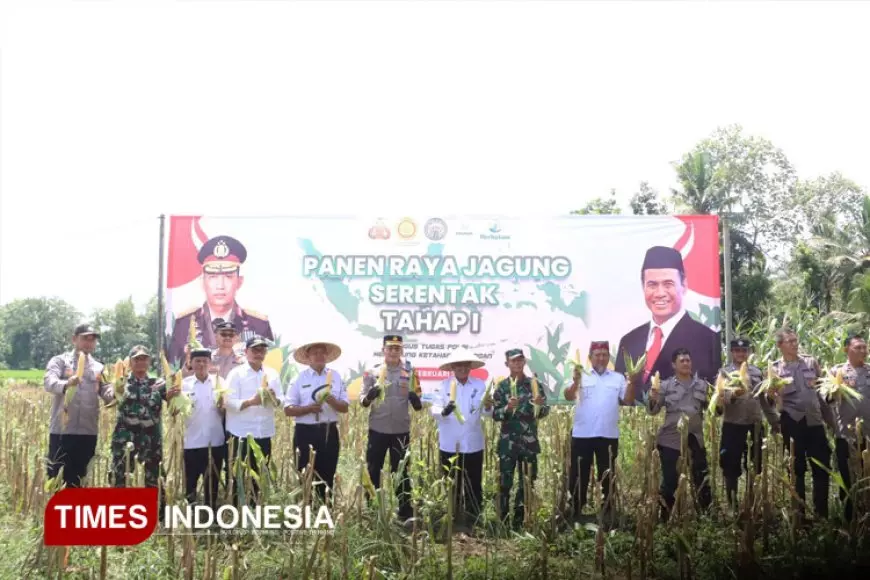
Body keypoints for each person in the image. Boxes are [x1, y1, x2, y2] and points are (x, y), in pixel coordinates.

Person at [614, 246, 722, 392]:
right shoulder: (628, 342)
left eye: (668, 284)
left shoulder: (708, 340)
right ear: (643, 287)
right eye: (652, 285)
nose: (660, 293)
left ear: (684, 286)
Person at [168, 235, 273, 366]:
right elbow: (173, 368)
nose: (220, 285)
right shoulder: (185, 322)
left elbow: (268, 368)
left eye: (228, 276)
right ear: (202, 282)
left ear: (239, 282)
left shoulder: (258, 324)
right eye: (212, 277)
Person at [563, 340, 636, 521]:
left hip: (608, 435)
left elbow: (627, 400)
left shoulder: (618, 378)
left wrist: (632, 383)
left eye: (605, 355)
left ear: (608, 358)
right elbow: (568, 395)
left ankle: (608, 511)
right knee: (579, 474)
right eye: (598, 355)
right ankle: (576, 511)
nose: (601, 358)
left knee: (607, 474)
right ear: (590, 358)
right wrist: (575, 383)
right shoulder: (579, 375)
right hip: (582, 435)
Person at [771, 328, 835, 520]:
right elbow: (771, 400)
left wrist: (831, 421)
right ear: (780, 346)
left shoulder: (811, 362)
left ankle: (821, 514)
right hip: (792, 423)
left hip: (815, 422)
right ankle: (799, 516)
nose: (794, 344)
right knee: (796, 468)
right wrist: (773, 397)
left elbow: (822, 393)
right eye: (790, 341)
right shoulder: (775, 369)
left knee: (822, 466)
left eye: (795, 340)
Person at [359, 335, 424, 523]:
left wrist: (414, 398)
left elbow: (419, 404)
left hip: (400, 430)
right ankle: (372, 509)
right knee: (373, 469)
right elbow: (363, 401)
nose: (394, 351)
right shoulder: (372, 372)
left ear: (402, 350)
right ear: (383, 350)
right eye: (390, 348)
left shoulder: (410, 373)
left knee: (402, 470)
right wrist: (370, 396)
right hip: (378, 429)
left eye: (398, 348)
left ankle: (404, 510)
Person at [44, 324, 115, 488]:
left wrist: (116, 390)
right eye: (85, 338)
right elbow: (49, 382)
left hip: (88, 432)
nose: (89, 343)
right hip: (62, 430)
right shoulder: (60, 361)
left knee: (80, 479)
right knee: (57, 478)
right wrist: (67, 383)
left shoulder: (98, 367)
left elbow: (105, 390)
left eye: (92, 339)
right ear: (74, 339)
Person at [715, 338, 779, 511]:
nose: (741, 354)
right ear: (731, 353)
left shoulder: (757, 372)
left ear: (748, 352)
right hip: (733, 425)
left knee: (756, 464)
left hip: (755, 424)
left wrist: (774, 421)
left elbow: (764, 401)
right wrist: (733, 395)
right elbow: (719, 402)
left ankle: (753, 501)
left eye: (744, 351)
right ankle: (733, 505)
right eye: (737, 351)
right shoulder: (724, 373)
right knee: (730, 465)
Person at [647, 348, 712, 521]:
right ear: (673, 365)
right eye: (682, 361)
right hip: (670, 439)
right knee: (670, 481)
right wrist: (653, 398)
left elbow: (714, 409)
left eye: (688, 360)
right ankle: (665, 516)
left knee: (702, 478)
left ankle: (706, 516)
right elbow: (653, 411)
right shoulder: (666, 386)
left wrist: (720, 401)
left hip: (695, 438)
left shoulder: (702, 385)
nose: (686, 363)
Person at [430, 348, 492, 527]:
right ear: (452, 367)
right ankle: (453, 516)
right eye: (459, 365)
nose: (463, 368)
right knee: (452, 483)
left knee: (474, 482)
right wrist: (443, 411)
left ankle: (474, 517)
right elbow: (434, 409)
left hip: (473, 443)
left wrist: (488, 407)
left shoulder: (480, 385)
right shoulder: (442, 386)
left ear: (470, 367)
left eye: (466, 365)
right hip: (450, 443)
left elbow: (488, 413)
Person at [111, 346, 181, 501]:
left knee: (154, 478)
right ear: (130, 362)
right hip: (125, 437)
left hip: (151, 439)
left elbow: (173, 408)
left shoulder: (158, 383)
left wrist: (173, 396)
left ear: (149, 361)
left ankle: (157, 515)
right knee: (119, 476)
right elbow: (112, 398)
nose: (141, 362)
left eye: (144, 358)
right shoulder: (121, 382)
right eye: (137, 359)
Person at [284, 340, 349, 506]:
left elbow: (344, 407)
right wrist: (307, 409)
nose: (319, 356)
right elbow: (288, 409)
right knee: (304, 473)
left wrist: (332, 401)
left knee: (328, 473)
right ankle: (305, 510)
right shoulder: (299, 378)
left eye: (322, 353)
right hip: (305, 432)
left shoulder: (335, 376)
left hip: (329, 431)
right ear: (308, 357)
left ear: (327, 356)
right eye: (315, 353)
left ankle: (325, 510)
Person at [492, 348, 550, 528]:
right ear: (507, 364)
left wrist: (540, 406)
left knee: (527, 483)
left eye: (520, 360)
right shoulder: (501, 387)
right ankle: (502, 522)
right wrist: (508, 408)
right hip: (508, 444)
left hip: (528, 442)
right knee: (504, 483)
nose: (517, 363)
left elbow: (544, 411)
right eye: (513, 361)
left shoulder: (534, 385)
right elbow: (495, 414)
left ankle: (519, 521)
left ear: (524, 362)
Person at [224, 336, 283, 506]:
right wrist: (252, 402)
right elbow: (228, 402)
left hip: (264, 432)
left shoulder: (272, 374)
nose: (259, 353)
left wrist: (274, 400)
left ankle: (256, 508)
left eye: (262, 350)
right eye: (255, 350)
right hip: (240, 434)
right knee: (239, 476)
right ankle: (238, 511)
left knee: (260, 474)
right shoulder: (236, 374)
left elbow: (282, 400)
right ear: (246, 352)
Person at [829, 334, 870, 522]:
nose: (863, 350)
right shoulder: (836, 372)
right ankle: (848, 518)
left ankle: (865, 515)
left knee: (867, 476)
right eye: (858, 347)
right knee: (847, 477)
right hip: (846, 435)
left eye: (865, 347)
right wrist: (836, 389)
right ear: (847, 349)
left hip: (868, 435)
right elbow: (827, 398)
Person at [181, 347, 227, 509]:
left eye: (204, 361)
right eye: (197, 361)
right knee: (190, 484)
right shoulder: (183, 385)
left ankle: (210, 514)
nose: (201, 364)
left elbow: (225, 410)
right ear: (191, 363)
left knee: (212, 484)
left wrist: (224, 406)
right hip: (191, 442)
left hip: (215, 442)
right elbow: (174, 412)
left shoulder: (220, 382)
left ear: (210, 363)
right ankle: (191, 517)